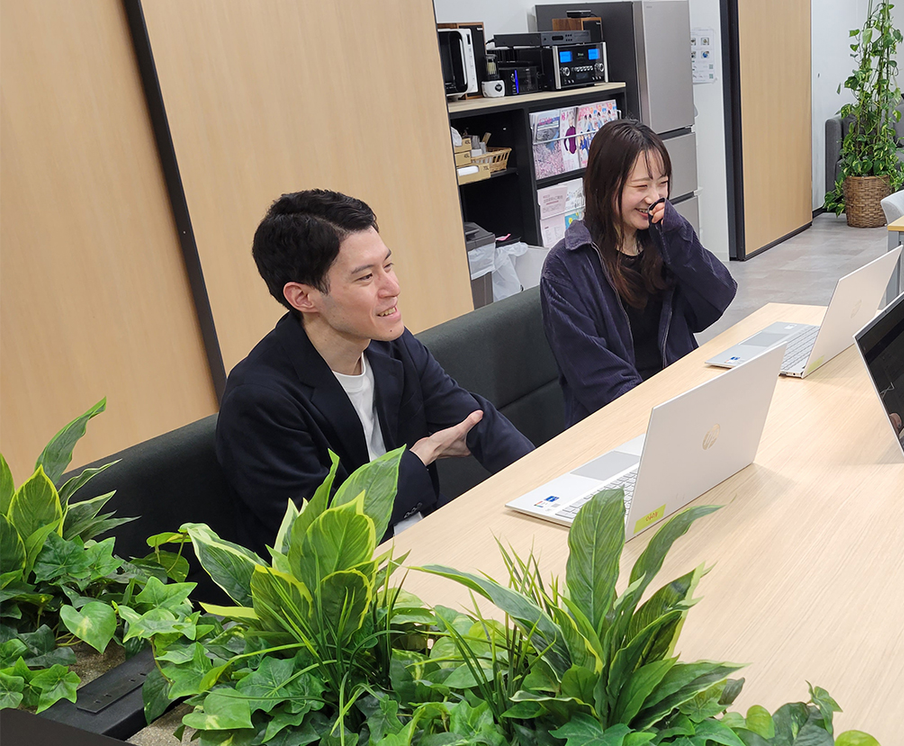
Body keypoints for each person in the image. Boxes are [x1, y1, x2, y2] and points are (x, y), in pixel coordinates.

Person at [216, 190, 534, 550]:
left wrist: (548, 484)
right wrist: (418, 459)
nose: (393, 288)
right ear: (303, 297)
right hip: (352, 572)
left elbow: (473, 420)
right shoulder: (258, 401)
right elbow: (328, 535)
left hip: (426, 533)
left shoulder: (389, 344)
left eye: (388, 266)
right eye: (366, 277)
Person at [540, 120, 737, 426]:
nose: (654, 197)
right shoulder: (566, 266)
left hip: (679, 397)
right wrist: (662, 415)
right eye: (641, 186)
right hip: (620, 419)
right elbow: (597, 379)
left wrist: (679, 237)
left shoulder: (661, 240)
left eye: (663, 183)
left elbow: (717, 297)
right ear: (605, 185)